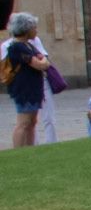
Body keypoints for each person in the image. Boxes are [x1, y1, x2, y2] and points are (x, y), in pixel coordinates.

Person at [4, 13, 50, 148]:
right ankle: (18, 151)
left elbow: (44, 60)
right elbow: (41, 64)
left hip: (33, 88)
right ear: (26, 29)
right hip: (23, 89)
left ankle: (29, 149)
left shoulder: (29, 45)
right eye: (34, 27)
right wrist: (43, 61)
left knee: (32, 121)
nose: (36, 30)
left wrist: (43, 60)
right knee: (23, 122)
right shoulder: (17, 47)